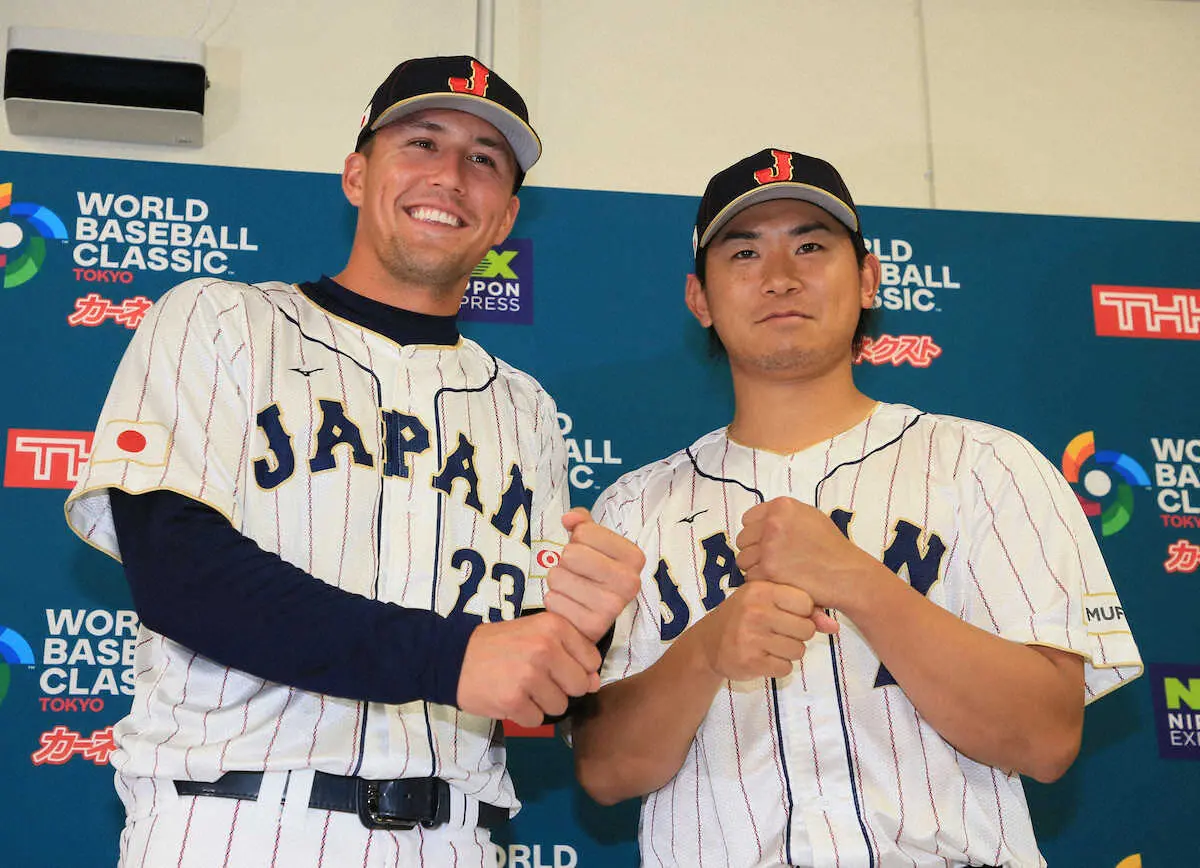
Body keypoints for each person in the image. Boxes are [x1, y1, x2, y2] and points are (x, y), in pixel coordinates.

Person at [65, 55, 642, 868]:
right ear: (356, 172)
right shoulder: (220, 319)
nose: (449, 175)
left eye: (484, 160)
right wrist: (452, 658)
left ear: (506, 218)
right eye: (422, 142)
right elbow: (179, 572)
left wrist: (587, 629)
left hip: (457, 837)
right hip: (243, 823)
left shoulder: (527, 410)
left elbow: (529, 679)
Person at [571, 148, 1142, 867]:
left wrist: (859, 581)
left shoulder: (988, 466)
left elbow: (1047, 741)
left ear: (869, 278)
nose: (780, 277)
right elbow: (604, 771)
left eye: (811, 245)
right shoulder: (633, 506)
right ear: (700, 299)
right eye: (744, 252)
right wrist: (707, 652)